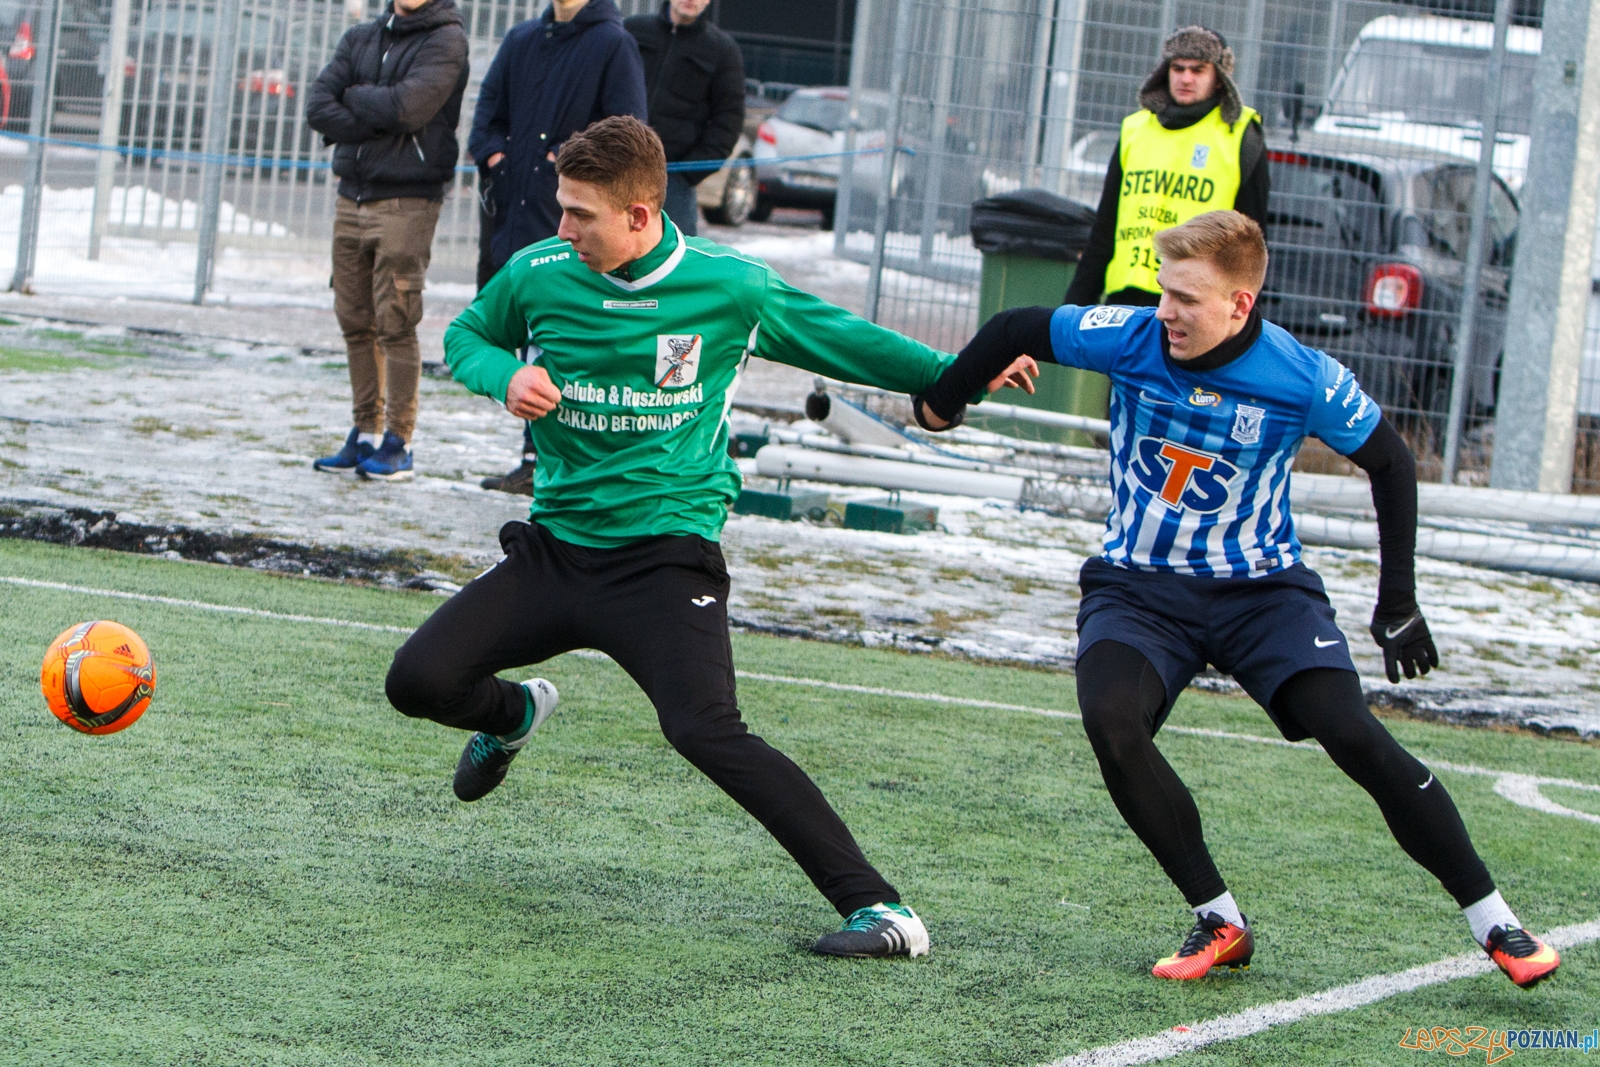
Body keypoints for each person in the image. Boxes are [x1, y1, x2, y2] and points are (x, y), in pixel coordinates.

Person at [385, 116, 1032, 957]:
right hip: (556, 548)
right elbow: (467, 336)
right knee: (416, 679)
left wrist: (963, 372)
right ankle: (511, 713)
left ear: (642, 216)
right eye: (561, 208)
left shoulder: (730, 288)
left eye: (581, 214)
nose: (562, 228)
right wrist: (505, 374)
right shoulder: (539, 274)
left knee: (703, 729)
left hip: (664, 556)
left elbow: (846, 342)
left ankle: (883, 911)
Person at [912, 211, 1560, 989]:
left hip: (1262, 593)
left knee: (1352, 733)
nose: (1166, 311)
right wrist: (941, 404)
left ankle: (1496, 921)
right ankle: (1220, 918)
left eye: (1187, 297)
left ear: (1240, 305)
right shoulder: (1131, 335)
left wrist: (1398, 601)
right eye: (1163, 291)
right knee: (1112, 721)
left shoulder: (1300, 375)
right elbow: (1016, 323)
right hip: (1139, 586)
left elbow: (1392, 462)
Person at [469, 0, 648, 496]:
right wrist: (497, 159)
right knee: (520, 332)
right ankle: (531, 457)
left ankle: (557, 461)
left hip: (568, 223)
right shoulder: (521, 39)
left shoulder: (614, 44)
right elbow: (486, 114)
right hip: (510, 212)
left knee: (564, 341)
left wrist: (560, 165)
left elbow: (628, 135)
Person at [305, 0, 469, 482]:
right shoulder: (362, 37)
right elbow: (318, 104)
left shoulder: (446, 39)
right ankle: (365, 432)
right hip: (351, 196)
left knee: (395, 320)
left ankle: (400, 440)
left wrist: (355, 97)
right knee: (354, 319)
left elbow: (407, 108)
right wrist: (377, 112)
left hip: (407, 200)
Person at [1063, 26, 1268, 309]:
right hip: (1126, 297)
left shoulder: (1241, 134)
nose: (1185, 78)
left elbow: (1251, 244)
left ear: (1219, 79)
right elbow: (1105, 226)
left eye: (1198, 70)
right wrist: (1075, 305)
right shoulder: (1135, 129)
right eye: (1178, 68)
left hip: (1196, 301)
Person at [624, 0, 745, 237]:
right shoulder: (631, 30)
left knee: (674, 262)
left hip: (674, 180)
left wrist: (689, 173)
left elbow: (729, 120)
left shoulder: (722, 50)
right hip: (616, 169)